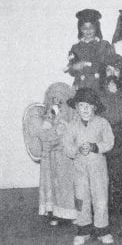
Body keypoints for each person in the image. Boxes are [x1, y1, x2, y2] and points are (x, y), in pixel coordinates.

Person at [64, 88, 114, 245]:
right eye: (81, 105)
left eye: (89, 106)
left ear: (94, 107)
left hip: (98, 167)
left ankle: (102, 230)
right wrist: (77, 150)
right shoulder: (72, 126)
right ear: (76, 108)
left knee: (100, 198)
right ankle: (83, 229)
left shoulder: (102, 123)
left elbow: (109, 142)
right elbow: (66, 147)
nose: (85, 109)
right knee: (81, 198)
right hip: (79, 169)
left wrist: (95, 147)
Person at [96, 54, 122, 215]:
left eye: (116, 70)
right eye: (108, 69)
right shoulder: (98, 92)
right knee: (104, 172)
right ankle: (106, 203)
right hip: (104, 136)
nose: (112, 73)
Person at [37, 82, 77, 225]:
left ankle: (71, 212)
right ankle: (54, 213)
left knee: (68, 185)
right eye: (54, 99)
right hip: (53, 156)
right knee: (53, 185)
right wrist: (51, 128)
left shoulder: (72, 113)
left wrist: (65, 130)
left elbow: (74, 131)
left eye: (60, 99)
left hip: (66, 157)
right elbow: (45, 130)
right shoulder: (52, 112)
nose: (57, 102)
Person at [65, 9, 114, 92]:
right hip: (81, 85)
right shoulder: (75, 47)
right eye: (84, 28)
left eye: (91, 27)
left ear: (96, 28)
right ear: (80, 29)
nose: (88, 31)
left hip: (99, 85)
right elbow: (71, 71)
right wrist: (74, 67)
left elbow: (111, 65)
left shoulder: (104, 45)